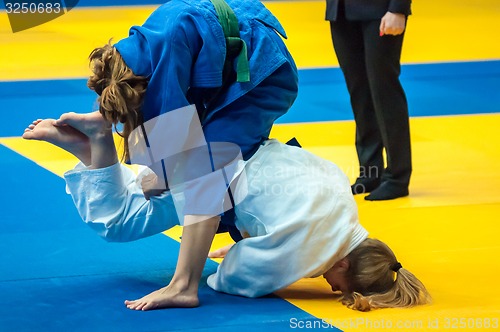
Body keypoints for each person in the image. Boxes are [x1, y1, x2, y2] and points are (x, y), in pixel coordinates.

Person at [23, 114, 431, 312]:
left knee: (138, 194)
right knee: (118, 223)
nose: (328, 285)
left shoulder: (344, 202)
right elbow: (232, 280)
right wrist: (267, 263)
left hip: (224, 138)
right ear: (344, 263)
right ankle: (97, 142)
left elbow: (283, 207)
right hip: (214, 174)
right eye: (339, 284)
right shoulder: (317, 251)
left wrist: (260, 240)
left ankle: (91, 148)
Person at [326, 0, 413, 200]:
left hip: (381, 11)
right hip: (339, 11)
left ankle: (397, 178)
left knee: (384, 92)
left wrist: (398, 9)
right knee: (360, 94)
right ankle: (370, 172)